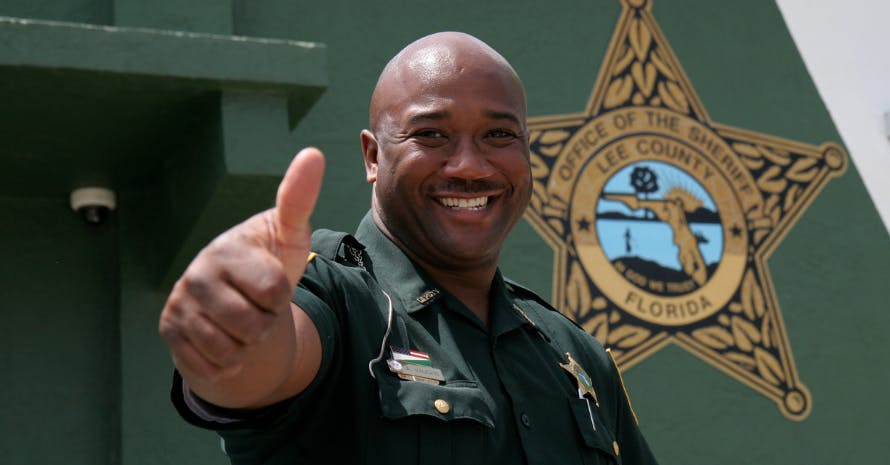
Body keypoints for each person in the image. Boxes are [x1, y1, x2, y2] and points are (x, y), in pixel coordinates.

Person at [160, 31, 658, 465]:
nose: (470, 165)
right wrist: (235, 341)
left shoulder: (575, 355)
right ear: (373, 156)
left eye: (499, 134)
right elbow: (271, 360)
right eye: (431, 134)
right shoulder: (336, 295)